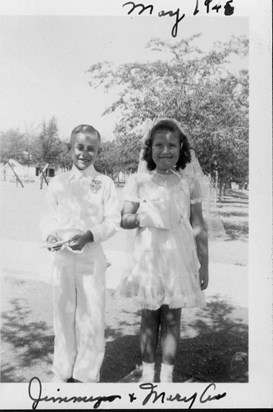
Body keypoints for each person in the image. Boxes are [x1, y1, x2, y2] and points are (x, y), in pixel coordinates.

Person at [120, 118, 209, 383]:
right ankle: (147, 375)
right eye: (159, 144)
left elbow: (199, 227)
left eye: (172, 145)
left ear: (182, 149)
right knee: (149, 316)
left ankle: (167, 377)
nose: (166, 150)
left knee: (171, 318)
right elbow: (124, 219)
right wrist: (144, 216)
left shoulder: (188, 183)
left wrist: (204, 265)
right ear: (150, 148)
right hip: (149, 257)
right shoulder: (139, 180)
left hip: (178, 260)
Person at [40, 124, 120, 383]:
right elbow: (48, 217)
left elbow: (112, 220)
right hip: (62, 257)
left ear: (98, 151)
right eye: (79, 147)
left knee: (91, 314)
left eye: (91, 149)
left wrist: (89, 235)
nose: (84, 154)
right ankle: (62, 370)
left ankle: (87, 374)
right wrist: (50, 235)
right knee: (63, 312)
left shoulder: (104, 183)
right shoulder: (58, 182)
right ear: (69, 148)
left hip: (91, 256)